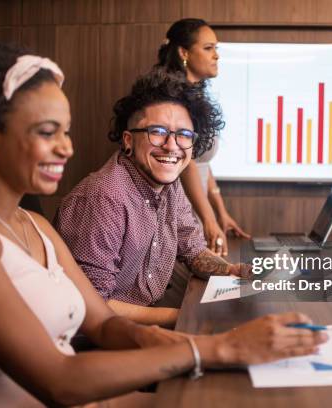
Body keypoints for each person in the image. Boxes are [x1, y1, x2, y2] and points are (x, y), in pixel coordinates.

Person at [0, 42, 326, 407]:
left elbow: (103, 323)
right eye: (47, 131)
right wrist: (216, 346)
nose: (66, 148)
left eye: (67, 131)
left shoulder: (31, 223)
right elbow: (58, 376)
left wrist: (214, 334)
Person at [55, 69, 251, 327]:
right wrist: (185, 318)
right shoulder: (103, 198)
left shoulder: (169, 186)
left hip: (137, 325)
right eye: (157, 132)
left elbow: (192, 250)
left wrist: (232, 270)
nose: (172, 146)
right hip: (94, 338)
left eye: (183, 135)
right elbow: (92, 304)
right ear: (128, 140)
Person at [155, 18, 251, 257]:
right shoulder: (173, 99)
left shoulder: (196, 96)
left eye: (216, 48)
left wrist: (221, 212)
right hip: (180, 208)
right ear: (184, 52)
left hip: (198, 206)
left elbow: (201, 161)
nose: (216, 55)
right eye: (208, 48)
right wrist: (209, 219)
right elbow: (184, 161)